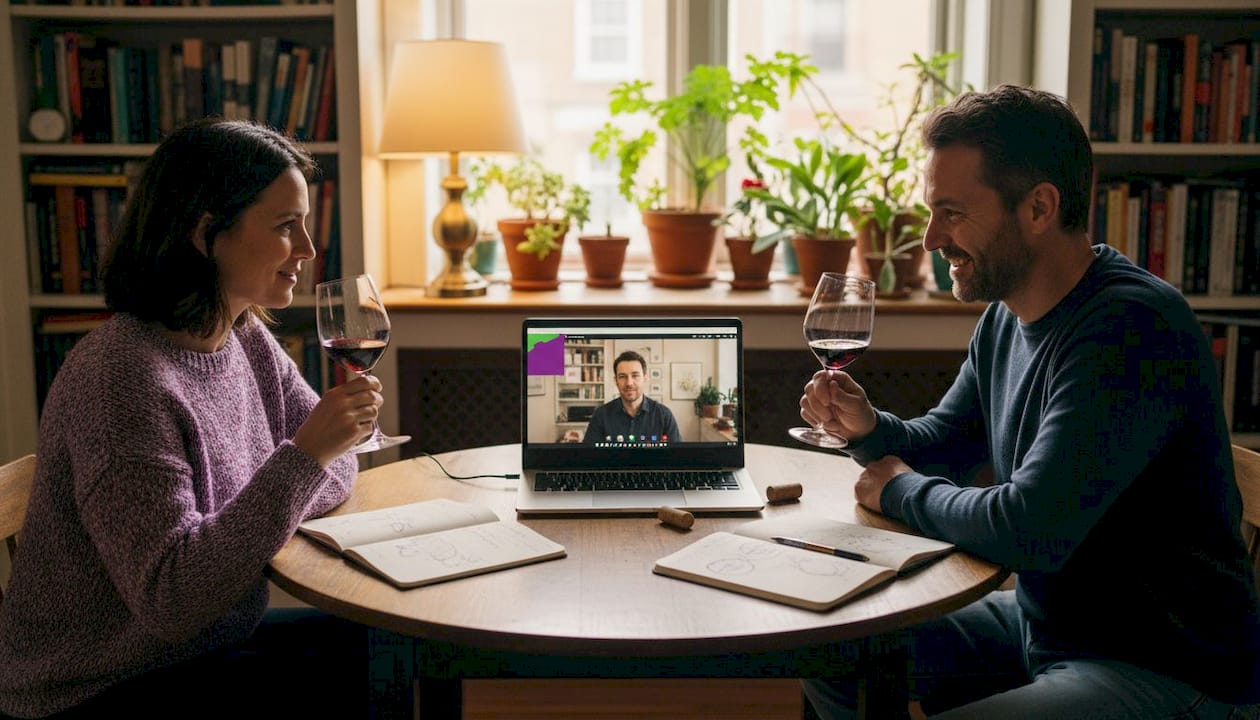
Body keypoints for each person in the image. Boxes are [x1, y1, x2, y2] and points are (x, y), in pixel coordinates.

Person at [799, 84, 1260, 719]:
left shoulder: (1131, 328)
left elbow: (1029, 528)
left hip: (1164, 666)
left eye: (953, 213)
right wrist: (869, 429)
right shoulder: (1006, 318)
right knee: (833, 647)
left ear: (1039, 207)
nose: (931, 239)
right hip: (1049, 628)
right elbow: (948, 444)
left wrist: (898, 488)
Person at [0, 119, 384, 719]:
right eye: (286, 226)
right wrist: (302, 458)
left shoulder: (241, 336)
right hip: (97, 688)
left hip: (200, 650)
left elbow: (339, 472)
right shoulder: (120, 382)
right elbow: (173, 599)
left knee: (395, 651)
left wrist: (303, 464)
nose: (308, 249)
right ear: (207, 234)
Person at [584, 350, 682, 444]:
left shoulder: (664, 415)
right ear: (616, 381)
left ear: (645, 378)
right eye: (622, 376)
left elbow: (677, 455)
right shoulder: (601, 415)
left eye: (635, 375)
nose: (629, 383)